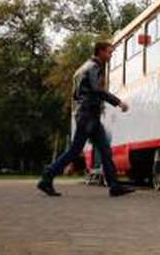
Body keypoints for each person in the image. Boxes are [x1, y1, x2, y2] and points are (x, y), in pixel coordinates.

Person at [37, 42, 135, 197]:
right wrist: (118, 102)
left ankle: (114, 186)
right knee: (77, 151)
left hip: (86, 114)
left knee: (104, 150)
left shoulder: (82, 68)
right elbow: (97, 90)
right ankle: (47, 177)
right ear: (100, 52)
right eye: (109, 53)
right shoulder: (94, 68)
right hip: (88, 116)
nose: (110, 56)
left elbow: (78, 95)